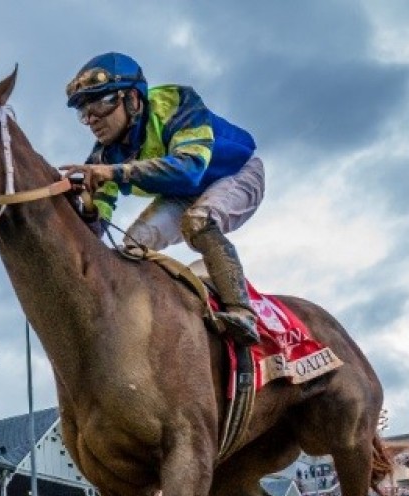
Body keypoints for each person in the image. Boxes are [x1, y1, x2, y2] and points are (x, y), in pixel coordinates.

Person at [62, 52, 263, 346]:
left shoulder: (176, 103)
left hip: (237, 173)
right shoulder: (103, 154)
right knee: (131, 248)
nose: (92, 120)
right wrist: (85, 208)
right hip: (181, 193)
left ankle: (242, 312)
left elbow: (190, 169)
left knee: (198, 221)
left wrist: (115, 172)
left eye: (101, 104)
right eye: (84, 112)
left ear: (132, 99)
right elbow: (97, 225)